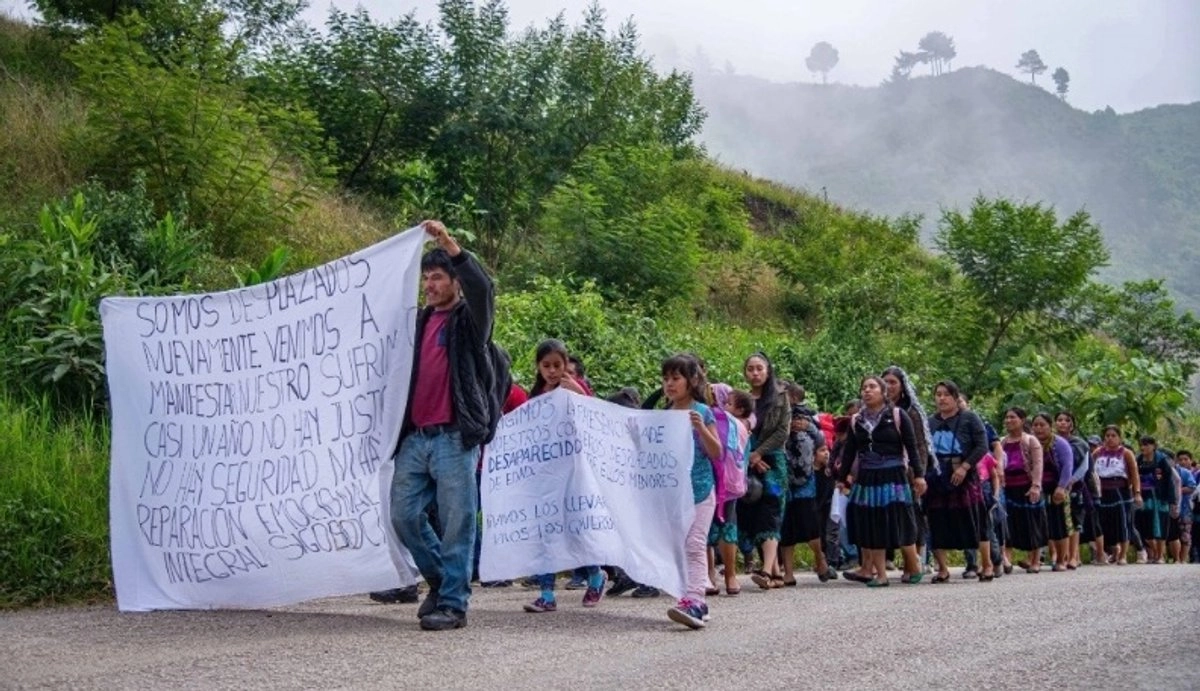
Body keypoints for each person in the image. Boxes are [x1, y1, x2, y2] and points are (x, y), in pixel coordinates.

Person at [390, 220, 499, 631]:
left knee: (457, 522)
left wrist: (451, 246)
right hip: (416, 438)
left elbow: (483, 291)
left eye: (437, 277)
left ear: (455, 282)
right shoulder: (417, 322)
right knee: (402, 516)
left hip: (454, 436)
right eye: (426, 279)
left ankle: (453, 604)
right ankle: (439, 580)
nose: (429, 286)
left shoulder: (470, 323)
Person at [523, 339, 606, 613]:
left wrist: (575, 389)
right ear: (538, 366)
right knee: (546, 532)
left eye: (557, 365)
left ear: (565, 364)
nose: (551, 371)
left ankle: (595, 574)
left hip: (571, 472)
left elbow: (592, 415)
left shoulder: (572, 388)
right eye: (546, 365)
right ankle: (546, 594)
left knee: (573, 530)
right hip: (545, 473)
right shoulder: (535, 394)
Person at [837, 375, 925, 587]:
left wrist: (920, 475)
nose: (867, 390)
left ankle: (913, 565)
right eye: (864, 387)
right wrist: (841, 479)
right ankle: (881, 574)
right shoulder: (856, 420)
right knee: (871, 522)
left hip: (894, 474)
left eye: (872, 386)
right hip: (867, 476)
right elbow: (849, 451)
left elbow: (912, 447)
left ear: (883, 392)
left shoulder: (897, 415)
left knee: (900, 519)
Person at [662, 354, 722, 629]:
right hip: (674, 494)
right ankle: (690, 596)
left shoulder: (702, 412)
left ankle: (696, 600)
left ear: (691, 381)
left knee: (695, 543)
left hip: (700, 489)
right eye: (666, 379)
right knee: (678, 545)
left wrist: (700, 429)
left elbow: (717, 452)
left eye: (676, 378)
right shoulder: (664, 416)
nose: (670, 384)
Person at [925, 380, 993, 582]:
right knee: (937, 519)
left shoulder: (969, 418)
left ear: (955, 397)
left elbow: (982, 446)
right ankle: (943, 569)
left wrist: (965, 467)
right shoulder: (930, 421)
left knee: (975, 518)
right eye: (938, 394)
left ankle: (987, 564)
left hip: (963, 474)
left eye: (946, 394)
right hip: (937, 475)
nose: (942, 398)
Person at [738, 353, 791, 590]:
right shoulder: (743, 399)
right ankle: (777, 573)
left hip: (773, 460)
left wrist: (759, 453)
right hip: (748, 460)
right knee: (754, 510)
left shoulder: (780, 397)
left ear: (768, 371)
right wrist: (751, 456)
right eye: (750, 369)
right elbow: (737, 429)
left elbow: (782, 431)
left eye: (759, 368)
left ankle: (767, 569)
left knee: (771, 507)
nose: (755, 373)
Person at [881, 366, 936, 579]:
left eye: (893, 382)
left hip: (908, 471)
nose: (889, 386)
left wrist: (918, 473)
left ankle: (916, 561)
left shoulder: (911, 410)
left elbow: (919, 445)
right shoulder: (877, 409)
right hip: (886, 471)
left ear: (902, 386)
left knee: (911, 514)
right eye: (885, 382)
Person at [779, 406, 838, 585]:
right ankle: (788, 573)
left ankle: (820, 560)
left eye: (799, 419)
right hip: (785, 483)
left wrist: (808, 427)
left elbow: (820, 442)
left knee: (811, 526)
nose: (796, 421)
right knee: (786, 529)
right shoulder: (780, 428)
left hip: (805, 484)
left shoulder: (812, 429)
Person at [706, 383, 748, 596]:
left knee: (704, 528)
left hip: (710, 480)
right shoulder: (739, 424)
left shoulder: (710, 418)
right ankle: (731, 577)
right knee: (728, 527)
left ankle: (710, 576)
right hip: (732, 483)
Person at [998, 407, 1046, 574]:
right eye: (1007, 417)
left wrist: (1036, 486)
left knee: (1032, 523)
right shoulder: (1002, 442)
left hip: (1026, 486)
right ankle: (1007, 560)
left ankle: (1035, 560)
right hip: (1008, 487)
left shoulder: (1030, 441)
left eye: (1013, 417)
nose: (1009, 420)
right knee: (1008, 524)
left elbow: (1038, 464)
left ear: (1022, 420)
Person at [1030, 413, 1074, 572]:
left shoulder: (1060, 443)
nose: (1038, 428)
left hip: (1056, 488)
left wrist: (1061, 487)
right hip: (1037, 488)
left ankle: (1062, 560)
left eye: (1042, 425)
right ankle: (1034, 561)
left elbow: (1067, 467)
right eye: (1035, 425)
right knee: (1037, 524)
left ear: (1050, 426)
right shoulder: (1030, 442)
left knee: (1059, 524)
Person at [1056, 412, 1100, 569]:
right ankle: (1061, 556)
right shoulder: (1051, 442)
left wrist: (1071, 481)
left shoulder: (1080, 443)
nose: (1062, 423)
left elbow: (1085, 467)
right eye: (1059, 420)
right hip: (1056, 486)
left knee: (1075, 522)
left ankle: (1073, 556)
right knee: (1059, 521)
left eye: (1066, 420)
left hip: (1075, 486)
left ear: (1072, 424)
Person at [1094, 426, 1140, 564]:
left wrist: (1137, 493)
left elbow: (1134, 473)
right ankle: (1110, 552)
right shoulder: (1097, 452)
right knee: (1104, 523)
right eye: (1107, 435)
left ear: (1119, 438)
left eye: (1113, 435)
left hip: (1120, 490)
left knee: (1123, 522)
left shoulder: (1126, 453)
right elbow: (1090, 470)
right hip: (1102, 490)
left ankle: (1123, 555)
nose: (1110, 438)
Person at [1135, 436, 1177, 564]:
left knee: (1161, 526)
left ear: (1154, 446)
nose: (1143, 447)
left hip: (1160, 498)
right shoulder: (1138, 460)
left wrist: (1172, 501)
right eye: (1142, 444)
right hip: (1145, 497)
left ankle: (1160, 556)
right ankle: (1154, 553)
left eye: (1147, 445)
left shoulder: (1162, 460)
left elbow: (1170, 481)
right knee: (1145, 526)